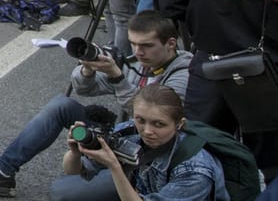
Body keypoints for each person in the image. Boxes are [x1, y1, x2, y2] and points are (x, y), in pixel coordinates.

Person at [0, 11, 192, 197]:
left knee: (62, 191)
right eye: (134, 44)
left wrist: (117, 77)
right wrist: (88, 67)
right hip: (123, 137)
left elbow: (150, 115)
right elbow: (84, 88)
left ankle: (126, 185)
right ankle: (2, 172)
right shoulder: (139, 63)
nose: (138, 52)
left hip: (151, 151)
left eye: (146, 46)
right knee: (61, 105)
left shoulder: (184, 73)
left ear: (171, 44)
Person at [161, 0, 278, 183]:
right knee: (266, 164)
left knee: (198, 150)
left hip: (210, 67)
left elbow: (170, 6)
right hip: (268, 75)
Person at [51, 86, 227, 201]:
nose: (147, 130)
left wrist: (114, 166)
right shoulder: (130, 131)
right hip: (141, 193)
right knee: (61, 191)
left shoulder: (195, 170)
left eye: (159, 124)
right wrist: (75, 152)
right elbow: (74, 171)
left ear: (179, 124)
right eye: (140, 120)